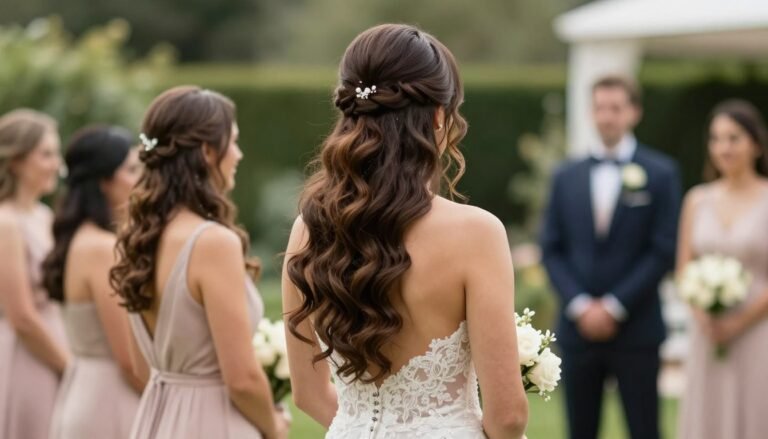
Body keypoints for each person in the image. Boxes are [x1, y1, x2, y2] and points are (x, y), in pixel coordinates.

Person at [282, 24, 528, 439]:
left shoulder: (307, 230)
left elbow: (307, 394)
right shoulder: (477, 234)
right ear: (437, 116)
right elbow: (507, 416)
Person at [110, 86, 288, 439]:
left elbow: (142, 366)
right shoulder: (212, 243)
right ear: (208, 151)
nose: (238, 153)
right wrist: (274, 426)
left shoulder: (137, 237)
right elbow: (241, 378)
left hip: (157, 418)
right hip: (214, 423)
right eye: (233, 141)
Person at [540, 75, 681, 439]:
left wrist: (616, 305)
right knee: (580, 431)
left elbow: (663, 249)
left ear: (634, 112)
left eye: (615, 108)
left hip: (637, 328)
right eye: (600, 108)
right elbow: (551, 248)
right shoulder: (565, 176)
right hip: (577, 330)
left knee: (645, 429)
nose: (606, 117)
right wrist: (581, 305)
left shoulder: (661, 174)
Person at [44, 125, 145, 438]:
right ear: (104, 181)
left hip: (86, 388)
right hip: (110, 398)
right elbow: (127, 358)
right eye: (131, 169)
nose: (141, 178)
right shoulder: (101, 249)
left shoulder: (82, 238)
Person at [677, 99, 768, 439]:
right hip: (708, 333)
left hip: (759, 332)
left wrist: (737, 323)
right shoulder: (696, 200)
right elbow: (684, 268)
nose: (723, 148)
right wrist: (705, 317)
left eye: (733, 138)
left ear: (756, 144)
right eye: (716, 139)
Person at [0, 109, 70, 439]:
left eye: (56, 153)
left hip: (56, 345)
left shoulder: (43, 215)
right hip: (27, 357)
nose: (56, 163)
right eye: (45, 154)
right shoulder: (5, 224)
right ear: (15, 160)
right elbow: (22, 316)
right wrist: (69, 368)